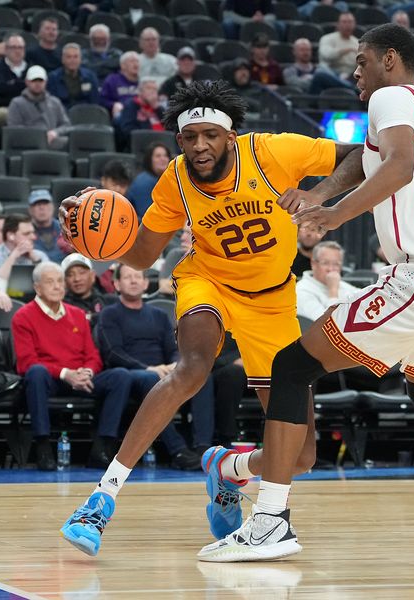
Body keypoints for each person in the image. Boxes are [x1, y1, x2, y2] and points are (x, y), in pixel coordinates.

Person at [196, 24, 414, 562]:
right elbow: (364, 161)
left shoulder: (390, 97)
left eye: (361, 61)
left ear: (390, 59)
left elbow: (398, 167)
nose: (354, 72)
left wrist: (336, 215)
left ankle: (270, 520)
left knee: (292, 367)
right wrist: (315, 194)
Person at [59, 79, 364, 557]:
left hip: (272, 300)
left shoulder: (274, 152)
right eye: (189, 137)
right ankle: (102, 498)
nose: (200, 146)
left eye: (210, 135)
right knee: (193, 366)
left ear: (231, 135)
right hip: (208, 280)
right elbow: (140, 255)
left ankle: (226, 468)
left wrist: (319, 194)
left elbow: (361, 154)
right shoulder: (175, 180)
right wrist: (89, 237)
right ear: (177, 141)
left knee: (303, 456)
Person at [12, 261, 132, 470]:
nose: (58, 286)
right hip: (51, 380)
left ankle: (102, 447)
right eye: (50, 282)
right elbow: (26, 363)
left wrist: (88, 371)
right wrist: (66, 374)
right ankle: (43, 447)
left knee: (120, 376)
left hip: (81, 378)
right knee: (36, 372)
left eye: (60, 281)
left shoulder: (76, 314)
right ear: (37, 288)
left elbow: (93, 355)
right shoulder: (23, 316)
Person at [97, 264, 215, 469]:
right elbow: (113, 353)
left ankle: (202, 448)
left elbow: (174, 348)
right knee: (150, 380)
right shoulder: (110, 314)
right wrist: (148, 368)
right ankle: (177, 450)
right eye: (127, 277)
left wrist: (175, 364)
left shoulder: (159, 315)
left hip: (163, 370)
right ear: (116, 284)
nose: (133, 281)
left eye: (138, 276)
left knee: (202, 376)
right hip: (131, 374)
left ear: (145, 283)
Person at [7, 66, 73, 150]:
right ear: (27, 82)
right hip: (27, 144)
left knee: (70, 143)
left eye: (40, 81)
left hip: (53, 142)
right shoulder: (17, 103)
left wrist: (55, 133)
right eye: (34, 80)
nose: (37, 84)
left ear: (46, 82)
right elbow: (13, 129)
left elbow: (66, 125)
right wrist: (38, 136)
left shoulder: (55, 102)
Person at [0, 214, 48, 289]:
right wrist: (13, 256)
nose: (33, 237)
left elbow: (48, 286)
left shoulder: (39, 255)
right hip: (2, 298)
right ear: (10, 236)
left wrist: (36, 261)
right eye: (27, 233)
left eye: (33, 233)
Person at [295, 241, 359, 321]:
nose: (331, 269)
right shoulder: (302, 290)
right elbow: (325, 324)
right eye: (325, 263)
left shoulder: (345, 287)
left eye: (336, 264)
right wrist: (333, 292)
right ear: (313, 264)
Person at [282, 38, 355, 95]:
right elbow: (297, 85)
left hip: (327, 98)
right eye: (302, 50)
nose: (306, 53)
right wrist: (315, 78)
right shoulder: (289, 70)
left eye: (308, 50)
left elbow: (334, 78)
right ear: (294, 52)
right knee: (319, 76)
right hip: (308, 99)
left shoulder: (320, 67)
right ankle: (355, 90)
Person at [61, 253, 115, 328]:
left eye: (82, 272)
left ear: (92, 275)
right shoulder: (61, 307)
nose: (77, 279)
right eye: (70, 275)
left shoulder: (108, 301)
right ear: (64, 281)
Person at [46, 43, 100, 109]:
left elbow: (95, 102)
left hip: (86, 115)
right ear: (63, 60)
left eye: (75, 57)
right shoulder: (53, 78)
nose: (72, 60)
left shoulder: (90, 77)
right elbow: (52, 104)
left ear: (80, 59)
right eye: (69, 57)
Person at [127, 142, 172, 220]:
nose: (163, 159)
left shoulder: (165, 180)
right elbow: (148, 217)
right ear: (149, 160)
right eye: (158, 156)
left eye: (165, 155)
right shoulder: (144, 181)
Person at [28, 189, 72, 263]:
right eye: (37, 204)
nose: (42, 208)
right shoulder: (24, 232)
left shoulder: (66, 228)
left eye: (45, 203)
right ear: (30, 210)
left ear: (52, 207)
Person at [0, 34, 28, 110]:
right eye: (13, 47)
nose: (17, 51)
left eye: (20, 47)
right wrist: (22, 84)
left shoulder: (31, 68)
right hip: (5, 108)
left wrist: (11, 84)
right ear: (6, 49)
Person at [318, 12, 359, 80]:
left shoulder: (357, 42)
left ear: (354, 24)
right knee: (321, 71)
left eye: (350, 22)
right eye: (344, 22)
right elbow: (327, 55)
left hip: (350, 75)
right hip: (331, 73)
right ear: (338, 24)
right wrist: (348, 49)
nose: (347, 25)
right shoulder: (327, 38)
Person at [100, 51, 140, 119]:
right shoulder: (112, 80)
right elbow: (102, 100)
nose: (136, 64)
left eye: (137, 61)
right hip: (121, 115)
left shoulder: (144, 81)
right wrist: (113, 104)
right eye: (132, 61)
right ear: (122, 65)